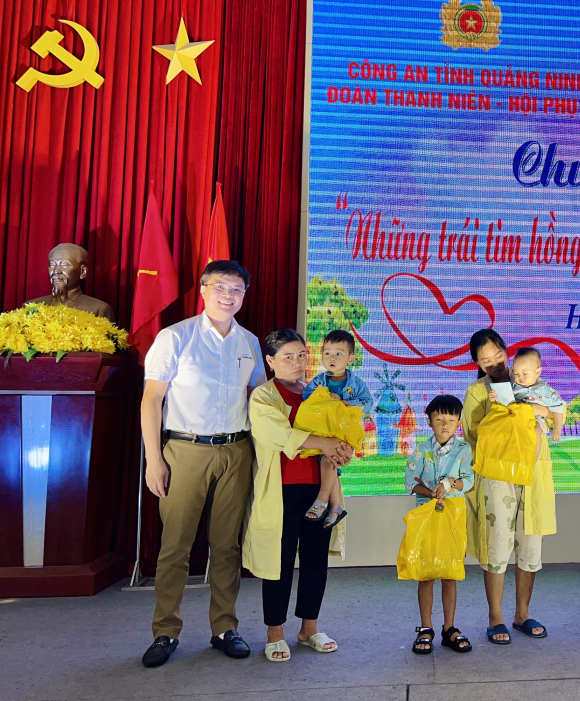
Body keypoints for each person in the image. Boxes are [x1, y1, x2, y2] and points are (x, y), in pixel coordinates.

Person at [140, 260, 265, 668]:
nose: (228, 296)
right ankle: (165, 631)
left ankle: (224, 627)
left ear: (244, 295)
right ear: (203, 289)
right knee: (175, 544)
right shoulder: (174, 337)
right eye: (221, 288)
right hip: (185, 449)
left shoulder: (248, 342)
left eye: (237, 290)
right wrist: (154, 459)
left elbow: (261, 400)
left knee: (227, 544)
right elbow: (151, 400)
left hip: (237, 450)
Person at [243, 329, 354, 661]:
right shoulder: (263, 396)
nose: (296, 363)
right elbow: (278, 434)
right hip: (282, 490)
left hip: (319, 489)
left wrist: (343, 448)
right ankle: (274, 631)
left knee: (315, 561)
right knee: (278, 563)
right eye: (287, 357)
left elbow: (338, 431)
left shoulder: (319, 393)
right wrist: (324, 443)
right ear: (270, 361)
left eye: (302, 356)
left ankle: (309, 627)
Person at [462, 329, 556, 643]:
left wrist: (538, 411)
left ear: (506, 350)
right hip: (497, 476)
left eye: (497, 356)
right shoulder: (479, 391)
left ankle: (522, 614)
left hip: (533, 473)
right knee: (498, 543)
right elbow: (475, 435)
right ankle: (496, 617)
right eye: (484, 360)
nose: (493, 364)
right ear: (476, 362)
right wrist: (528, 413)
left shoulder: (535, 385)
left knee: (530, 545)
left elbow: (556, 417)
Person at [405, 394, 475, 654]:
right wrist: (432, 493)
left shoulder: (464, 450)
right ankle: (425, 627)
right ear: (429, 421)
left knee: (449, 572)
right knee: (427, 573)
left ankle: (449, 627)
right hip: (427, 516)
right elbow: (410, 482)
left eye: (451, 419)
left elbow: (468, 480)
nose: (445, 424)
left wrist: (450, 484)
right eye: (439, 419)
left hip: (453, 517)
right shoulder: (421, 450)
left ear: (458, 422)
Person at [302, 329, 372, 527]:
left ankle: (322, 501)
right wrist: (323, 398)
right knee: (329, 464)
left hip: (345, 434)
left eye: (338, 354)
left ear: (350, 358)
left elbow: (368, 402)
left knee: (329, 461)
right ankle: (335, 507)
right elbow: (307, 398)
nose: (332, 358)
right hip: (324, 432)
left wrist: (347, 403)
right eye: (327, 353)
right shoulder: (318, 381)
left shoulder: (356, 383)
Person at [27, 242, 115, 321]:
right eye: (52, 264)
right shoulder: (31, 306)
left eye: (65, 264)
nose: (56, 271)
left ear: (82, 272)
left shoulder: (99, 309)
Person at [509, 346, 565, 442]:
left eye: (525, 373)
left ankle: (533, 457)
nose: (520, 378)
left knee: (535, 431)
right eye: (516, 374)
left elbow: (558, 407)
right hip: (515, 419)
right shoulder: (512, 387)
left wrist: (557, 429)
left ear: (537, 371)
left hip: (536, 420)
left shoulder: (546, 390)